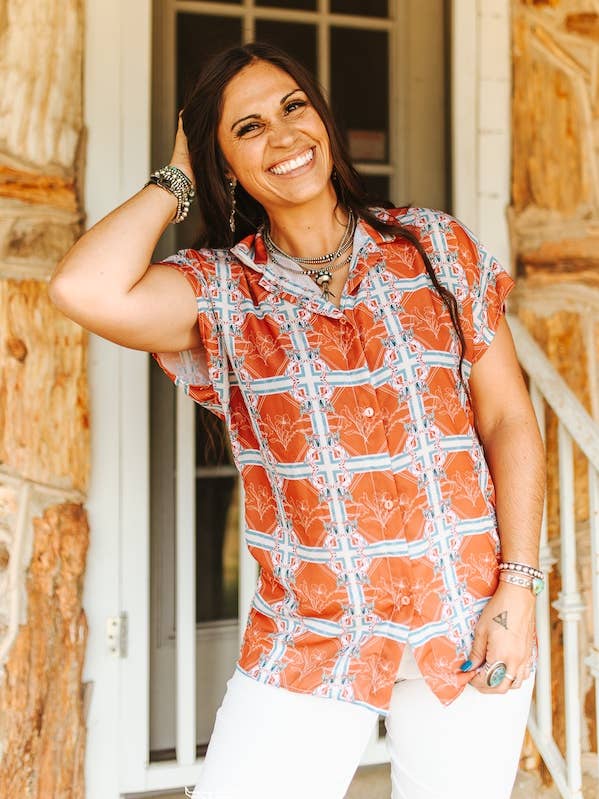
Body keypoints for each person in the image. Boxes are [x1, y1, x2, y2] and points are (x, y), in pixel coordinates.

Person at [49, 42, 546, 799]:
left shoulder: (434, 247)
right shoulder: (220, 291)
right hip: (313, 633)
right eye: (246, 129)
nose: (282, 136)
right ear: (223, 166)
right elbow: (84, 288)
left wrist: (517, 585)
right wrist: (176, 176)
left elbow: (508, 417)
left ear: (321, 118)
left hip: (471, 612)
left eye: (292, 108)